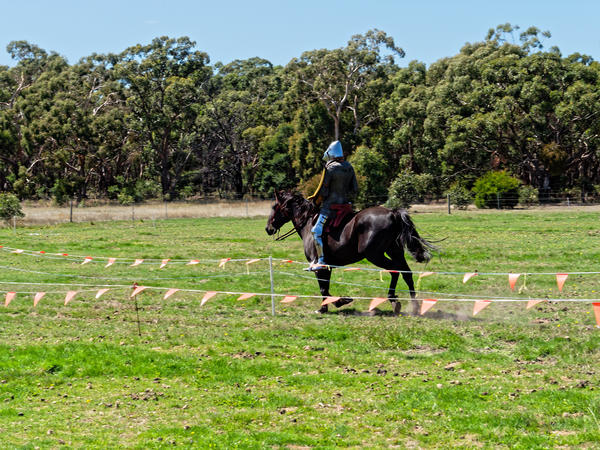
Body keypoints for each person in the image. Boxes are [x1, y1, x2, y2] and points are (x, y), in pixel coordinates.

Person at [306, 140, 358, 270]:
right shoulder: (349, 166)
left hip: (330, 207)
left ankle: (322, 260)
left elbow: (323, 190)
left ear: (331, 153)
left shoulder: (330, 168)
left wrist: (316, 202)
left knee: (315, 231)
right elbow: (355, 189)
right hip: (346, 206)